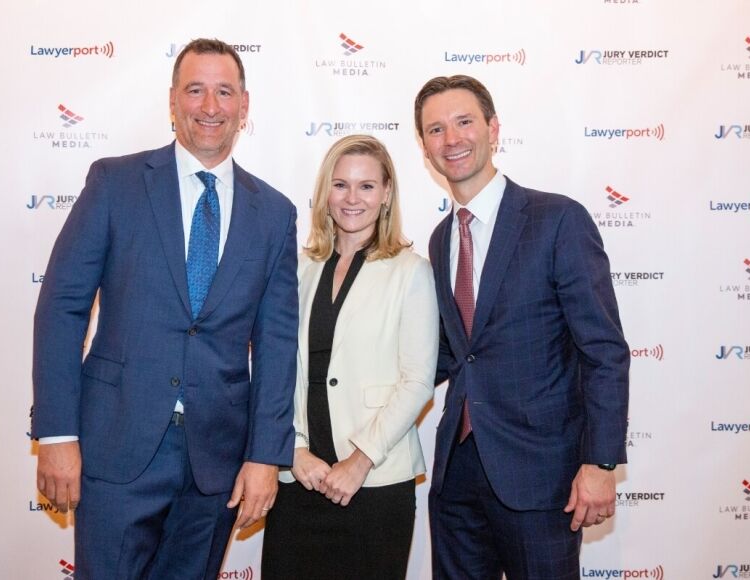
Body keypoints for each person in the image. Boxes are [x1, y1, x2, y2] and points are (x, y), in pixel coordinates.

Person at [31, 38, 298, 579]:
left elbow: (277, 344)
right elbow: (62, 308)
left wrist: (266, 455)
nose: (210, 106)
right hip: (115, 447)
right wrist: (57, 435)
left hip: (216, 463)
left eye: (224, 92)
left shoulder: (274, 213)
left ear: (244, 105)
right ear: (172, 100)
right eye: (195, 90)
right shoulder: (115, 183)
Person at [415, 75, 630, 580]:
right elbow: (453, 352)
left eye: (464, 122)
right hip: (457, 475)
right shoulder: (440, 238)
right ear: (424, 147)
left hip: (541, 477)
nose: (452, 139)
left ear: (493, 129)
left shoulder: (557, 220)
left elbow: (603, 350)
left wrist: (601, 463)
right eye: (436, 129)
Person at [261, 135, 438, 580]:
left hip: (373, 484)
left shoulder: (411, 272)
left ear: (386, 194)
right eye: (340, 185)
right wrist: (293, 449)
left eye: (366, 186)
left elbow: (417, 381)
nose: (352, 198)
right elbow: (274, 369)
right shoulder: (298, 268)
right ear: (325, 193)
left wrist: (360, 460)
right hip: (299, 479)